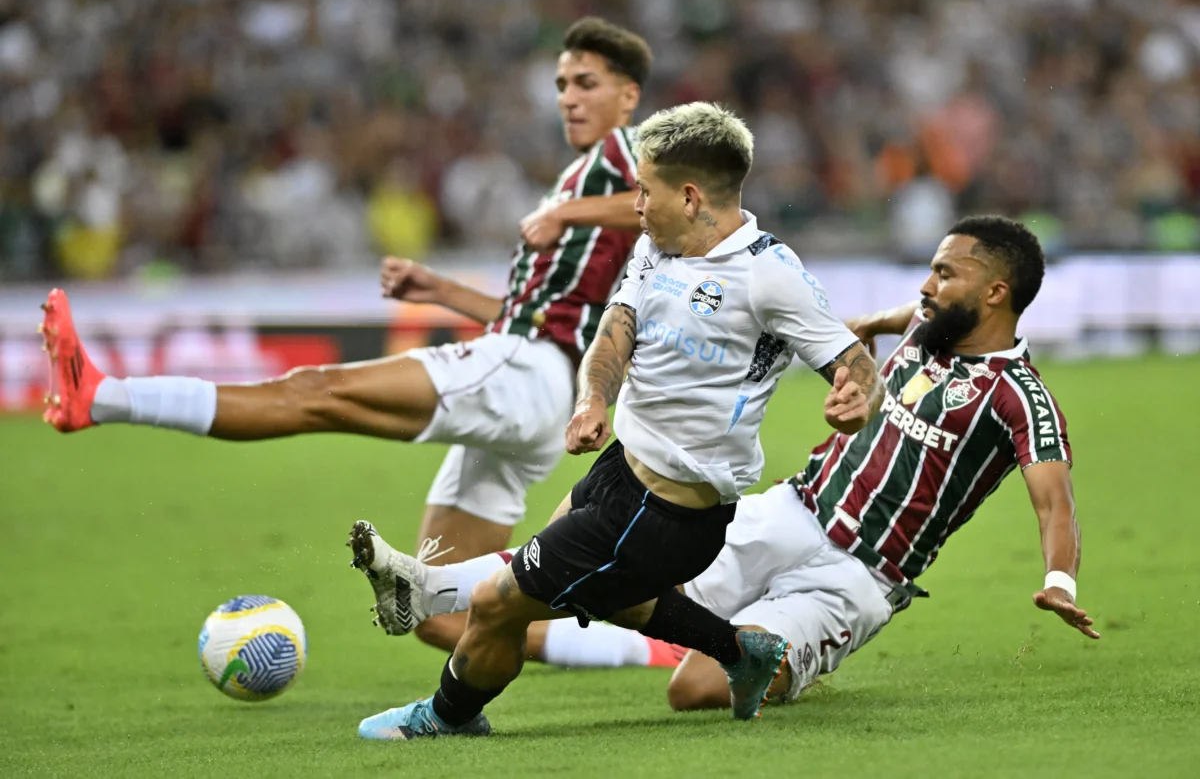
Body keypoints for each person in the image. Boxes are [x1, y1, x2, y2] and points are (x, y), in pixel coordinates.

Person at [345, 215, 1099, 712]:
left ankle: (776, 652)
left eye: (945, 274)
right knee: (625, 568)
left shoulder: (1021, 399)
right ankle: (438, 589)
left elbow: (1054, 503)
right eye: (930, 272)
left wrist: (1058, 581)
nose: (927, 287)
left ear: (996, 292)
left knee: (693, 688)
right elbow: (907, 316)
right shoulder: (929, 330)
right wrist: (870, 325)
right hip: (789, 510)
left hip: (860, 574)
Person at [37, 17, 651, 584]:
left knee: (314, 393)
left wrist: (564, 211)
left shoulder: (624, 154)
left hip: (525, 368)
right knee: (444, 604)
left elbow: (671, 197)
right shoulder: (581, 177)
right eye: (562, 83)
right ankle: (661, 645)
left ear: (627, 95)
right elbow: (542, 308)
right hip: (538, 383)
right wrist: (439, 290)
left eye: (586, 83)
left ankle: (103, 397)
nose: (568, 96)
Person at [347, 101, 885, 740]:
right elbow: (616, 327)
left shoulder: (769, 276)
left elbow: (854, 363)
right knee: (600, 590)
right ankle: (744, 652)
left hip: (669, 515)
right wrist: (592, 400)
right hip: (620, 470)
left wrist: (857, 399)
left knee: (501, 602)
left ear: (689, 196)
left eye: (643, 189)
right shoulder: (659, 248)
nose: (634, 203)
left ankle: (444, 713)